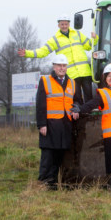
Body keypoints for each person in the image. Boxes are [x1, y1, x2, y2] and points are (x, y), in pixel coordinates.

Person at [71, 63, 111, 192]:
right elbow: (91, 104)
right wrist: (80, 109)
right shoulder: (103, 94)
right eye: (109, 76)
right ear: (105, 79)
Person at [18, 13, 98, 104]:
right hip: (71, 74)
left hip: (85, 71)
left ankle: (90, 115)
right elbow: (43, 51)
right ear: (58, 25)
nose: (64, 26)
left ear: (69, 24)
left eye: (66, 24)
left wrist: (95, 39)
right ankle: (81, 116)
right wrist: (27, 53)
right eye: (62, 24)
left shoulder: (77, 34)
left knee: (89, 95)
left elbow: (89, 46)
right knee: (77, 97)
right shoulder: (55, 39)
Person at [36, 54, 76, 189]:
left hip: (65, 124)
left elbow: (77, 101)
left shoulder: (72, 82)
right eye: (59, 65)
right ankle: (44, 182)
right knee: (48, 154)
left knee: (60, 154)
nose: (62, 68)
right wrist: (42, 124)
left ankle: (55, 181)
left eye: (64, 66)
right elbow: (40, 104)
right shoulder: (45, 80)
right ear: (54, 66)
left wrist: (77, 108)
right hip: (50, 124)